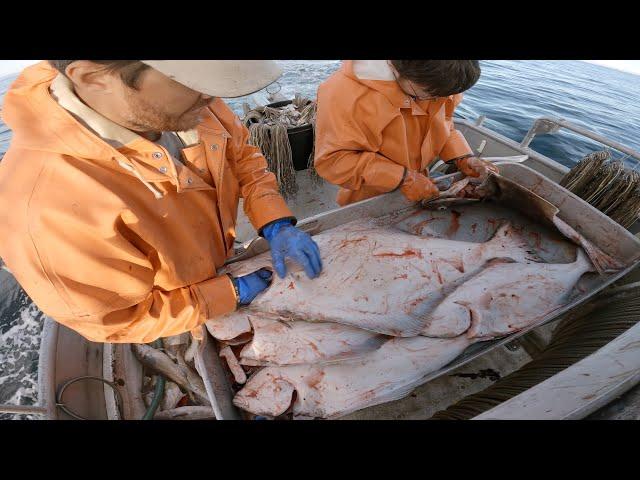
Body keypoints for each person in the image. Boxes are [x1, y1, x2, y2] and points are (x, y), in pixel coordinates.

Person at [0, 60, 322, 343]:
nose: (211, 94)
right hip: (176, 320)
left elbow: (240, 154)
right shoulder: (41, 208)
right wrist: (226, 295)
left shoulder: (191, 101)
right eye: (192, 80)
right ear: (92, 78)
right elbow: (120, 320)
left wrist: (273, 219)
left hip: (220, 260)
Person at [314, 60, 498, 206]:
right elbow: (334, 161)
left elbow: (443, 123)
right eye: (431, 94)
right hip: (369, 193)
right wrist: (403, 178)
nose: (439, 99)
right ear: (397, 67)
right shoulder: (342, 94)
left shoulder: (441, 82)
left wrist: (462, 157)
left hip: (420, 182)